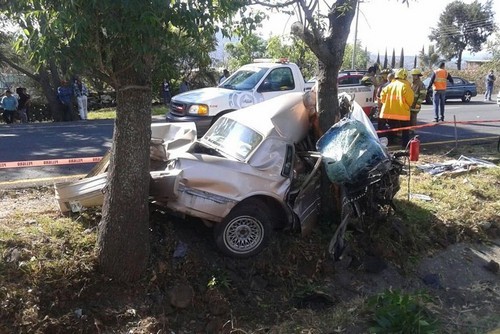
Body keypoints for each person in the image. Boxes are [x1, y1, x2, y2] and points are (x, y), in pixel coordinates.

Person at [379, 68, 414, 148]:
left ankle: (390, 143)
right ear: (404, 76)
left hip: (388, 112)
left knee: (391, 129)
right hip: (402, 113)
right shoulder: (405, 86)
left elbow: (382, 98)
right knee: (405, 130)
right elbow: (410, 101)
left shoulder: (389, 86)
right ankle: (405, 145)